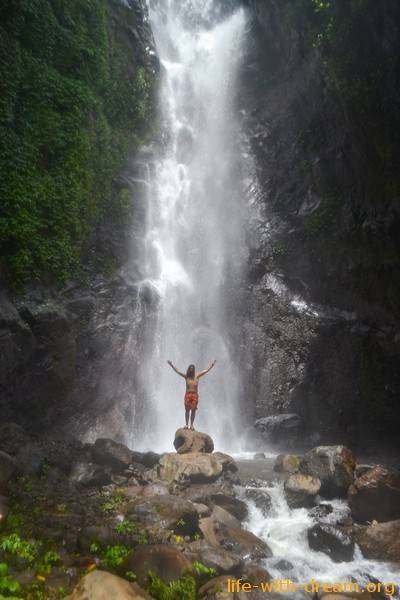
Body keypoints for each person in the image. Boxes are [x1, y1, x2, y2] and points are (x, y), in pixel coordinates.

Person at [167, 359, 216, 430]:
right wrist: (171, 365)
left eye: (192, 369)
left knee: (193, 410)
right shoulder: (186, 377)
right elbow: (178, 371)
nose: (191, 370)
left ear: (194, 370)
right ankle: (186, 424)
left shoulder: (197, 376)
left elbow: (205, 371)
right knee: (187, 410)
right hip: (188, 395)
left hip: (195, 395)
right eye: (190, 369)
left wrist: (212, 365)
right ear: (188, 370)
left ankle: (192, 425)